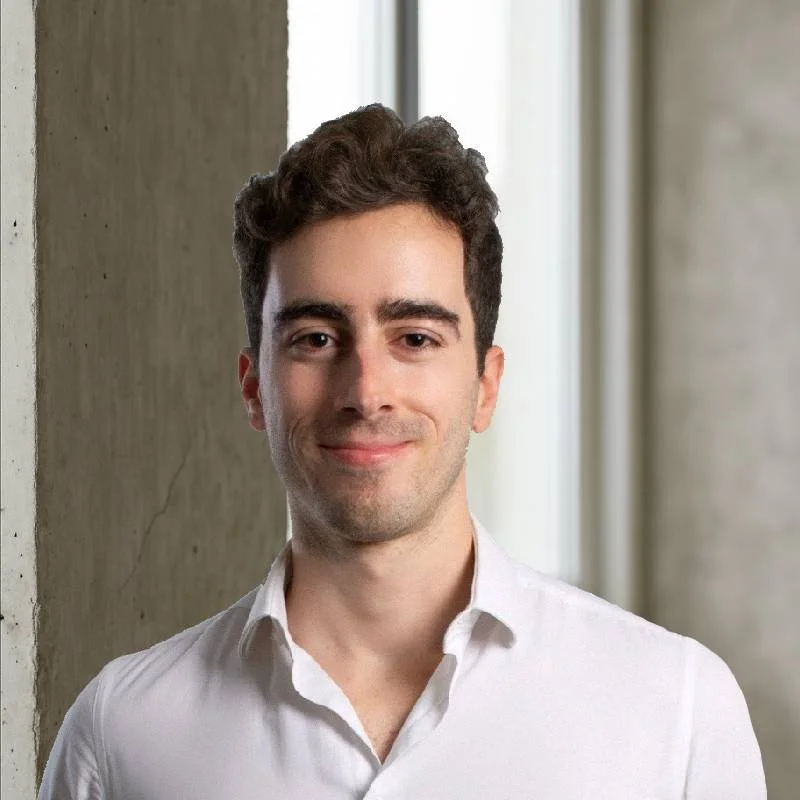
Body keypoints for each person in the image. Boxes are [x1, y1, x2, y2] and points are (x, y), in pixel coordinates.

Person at [40, 104, 765, 798]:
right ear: (254, 387)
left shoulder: (675, 712)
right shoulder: (122, 737)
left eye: (415, 338)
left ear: (485, 384)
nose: (366, 390)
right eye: (315, 339)